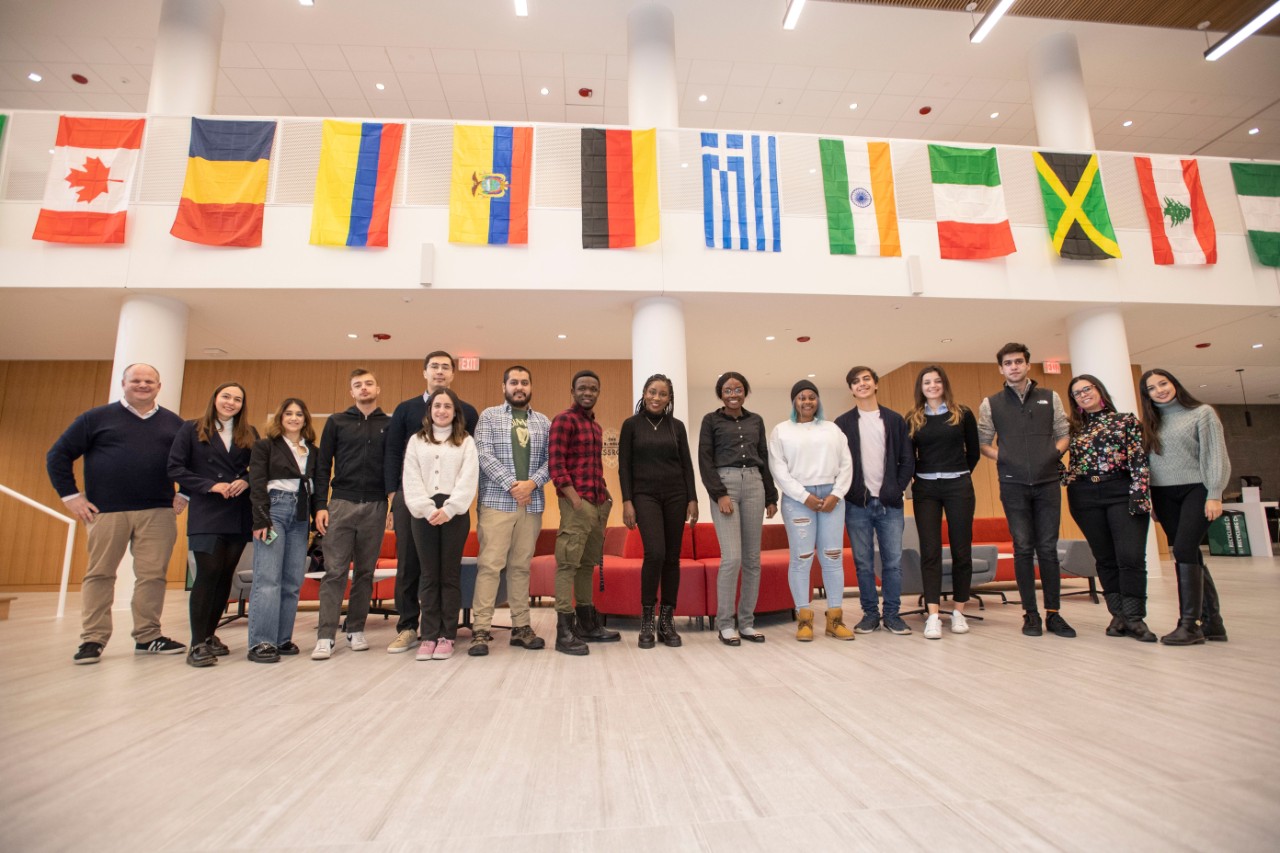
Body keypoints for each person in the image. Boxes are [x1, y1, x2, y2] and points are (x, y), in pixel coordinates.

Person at [47, 363, 188, 664]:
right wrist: (71, 496)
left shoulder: (173, 423)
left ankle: (148, 636)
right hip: (106, 511)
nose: (143, 385)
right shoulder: (95, 418)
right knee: (100, 574)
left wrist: (185, 491)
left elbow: (193, 461)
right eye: (136, 380)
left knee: (153, 576)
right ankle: (93, 639)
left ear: (159, 386)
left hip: (158, 511)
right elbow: (58, 455)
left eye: (149, 381)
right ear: (123, 383)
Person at [978, 343, 1076, 638]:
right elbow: (984, 442)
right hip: (1013, 484)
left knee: (1047, 548)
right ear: (1001, 369)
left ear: (1027, 365)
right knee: (1022, 548)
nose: (1014, 367)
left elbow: (1064, 433)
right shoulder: (991, 403)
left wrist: (1052, 454)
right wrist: (1006, 458)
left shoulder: (1050, 397)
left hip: (1047, 483)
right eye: (1008, 363)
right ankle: (1030, 614)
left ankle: (1054, 614)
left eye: (1018, 362)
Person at [384, 351, 479, 655]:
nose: (442, 410)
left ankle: (446, 636)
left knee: (448, 574)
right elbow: (405, 469)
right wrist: (422, 508)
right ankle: (420, 632)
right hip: (418, 509)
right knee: (420, 571)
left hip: (454, 511)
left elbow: (469, 476)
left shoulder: (466, 438)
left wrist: (450, 508)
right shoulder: (415, 435)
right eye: (437, 406)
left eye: (447, 406)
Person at [1139, 369, 1231, 646]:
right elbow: (1150, 465)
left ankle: (1190, 624)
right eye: (1152, 388)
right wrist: (1151, 499)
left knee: (1183, 549)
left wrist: (1214, 493)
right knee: (1189, 553)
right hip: (1163, 494)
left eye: (1163, 383)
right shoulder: (1150, 422)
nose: (1159, 390)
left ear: (1175, 384)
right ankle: (1213, 623)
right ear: (1147, 395)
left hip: (1197, 489)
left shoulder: (1202, 413)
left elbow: (1215, 456)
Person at [167, 381, 256, 667]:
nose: (231, 402)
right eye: (226, 396)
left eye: (237, 399)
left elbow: (260, 468)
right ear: (215, 398)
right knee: (208, 573)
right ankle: (197, 643)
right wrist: (210, 485)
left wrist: (247, 481)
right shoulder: (191, 429)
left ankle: (209, 635)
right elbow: (175, 468)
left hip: (238, 511)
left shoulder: (249, 433)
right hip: (207, 510)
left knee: (225, 575)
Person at [1062, 374, 1155, 642]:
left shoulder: (1125, 420)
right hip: (1084, 495)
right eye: (1077, 393)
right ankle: (1118, 615)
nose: (1083, 395)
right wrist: (1065, 477)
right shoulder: (1072, 428)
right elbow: (1052, 455)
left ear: (1099, 390)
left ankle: (1134, 617)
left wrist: (1140, 495)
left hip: (1121, 490)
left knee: (1130, 556)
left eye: (1087, 389)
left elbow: (1139, 460)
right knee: (1104, 558)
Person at [469, 365, 551, 656]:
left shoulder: (543, 422)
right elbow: (483, 454)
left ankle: (521, 627)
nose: (519, 387)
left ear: (531, 387)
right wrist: (513, 485)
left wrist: (532, 484)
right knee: (490, 566)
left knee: (520, 567)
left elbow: (551, 460)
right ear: (504, 387)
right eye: (514, 382)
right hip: (496, 502)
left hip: (531, 504)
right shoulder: (489, 416)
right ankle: (481, 629)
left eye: (524, 382)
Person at [311, 369, 391, 660]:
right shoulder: (336, 422)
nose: (364, 388)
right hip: (341, 503)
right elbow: (322, 466)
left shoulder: (389, 424)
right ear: (352, 392)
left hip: (376, 505)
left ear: (377, 389)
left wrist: (392, 504)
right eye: (358, 385)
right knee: (335, 572)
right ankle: (325, 636)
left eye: (369, 383)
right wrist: (320, 505)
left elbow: (394, 466)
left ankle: (355, 629)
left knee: (365, 573)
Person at [768, 380, 853, 642]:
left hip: (832, 498)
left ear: (818, 401)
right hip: (798, 499)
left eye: (812, 397)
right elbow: (778, 469)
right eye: (801, 397)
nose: (807, 401)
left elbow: (846, 464)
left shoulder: (832, 429)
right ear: (794, 401)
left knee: (832, 557)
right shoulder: (781, 431)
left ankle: (835, 620)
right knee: (802, 558)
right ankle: (804, 619)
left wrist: (836, 494)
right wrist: (804, 496)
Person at [698, 372, 778, 646]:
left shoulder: (756, 420)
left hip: (755, 483)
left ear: (745, 392)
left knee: (752, 559)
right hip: (726, 484)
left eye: (738, 389)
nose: (733, 394)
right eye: (728, 390)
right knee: (732, 558)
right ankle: (725, 624)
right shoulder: (711, 420)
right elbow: (705, 459)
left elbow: (764, 457)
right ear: (720, 394)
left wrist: (771, 496)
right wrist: (719, 493)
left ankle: (746, 623)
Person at [619, 374, 699, 649]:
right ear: (644, 393)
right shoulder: (631, 425)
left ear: (669, 398)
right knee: (655, 553)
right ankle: (646, 619)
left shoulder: (676, 427)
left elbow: (687, 465)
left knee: (672, 557)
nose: (656, 397)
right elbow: (624, 466)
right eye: (652, 392)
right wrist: (627, 501)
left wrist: (692, 498)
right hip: (645, 496)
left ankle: (666, 621)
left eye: (663, 394)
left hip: (676, 495)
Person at [835, 366, 915, 636]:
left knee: (892, 562)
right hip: (857, 504)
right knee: (863, 563)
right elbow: (838, 463)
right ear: (851, 389)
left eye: (866, 379)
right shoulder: (842, 423)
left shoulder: (894, 420)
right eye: (855, 381)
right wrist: (848, 492)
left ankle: (892, 615)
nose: (862, 384)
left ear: (876, 384)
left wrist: (897, 489)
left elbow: (907, 460)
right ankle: (870, 614)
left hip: (890, 504)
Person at [905, 366, 980, 640]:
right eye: (927, 382)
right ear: (921, 387)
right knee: (930, 551)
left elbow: (973, 452)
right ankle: (933, 615)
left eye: (937, 381)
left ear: (944, 384)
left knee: (962, 549)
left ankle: (959, 611)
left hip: (958, 485)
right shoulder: (913, 418)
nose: (933, 386)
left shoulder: (962, 413)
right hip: (925, 489)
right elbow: (909, 457)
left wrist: (957, 473)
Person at [548, 369, 617, 656]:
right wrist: (574, 499)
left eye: (593, 388)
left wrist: (605, 495)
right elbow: (556, 464)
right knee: (568, 564)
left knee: (587, 565)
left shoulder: (596, 427)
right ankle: (564, 632)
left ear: (598, 392)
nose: (588, 392)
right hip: (577, 503)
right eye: (582, 388)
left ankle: (587, 624)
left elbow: (593, 467)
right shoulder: (564, 420)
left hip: (598, 502)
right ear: (573, 391)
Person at [246, 398, 317, 663]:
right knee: (268, 579)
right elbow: (257, 483)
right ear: (280, 417)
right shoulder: (266, 446)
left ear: (305, 419)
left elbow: (317, 485)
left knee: (292, 580)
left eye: (299, 414)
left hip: (301, 514)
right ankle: (261, 642)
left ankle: (281, 638)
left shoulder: (312, 450)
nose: (294, 418)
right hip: (274, 510)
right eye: (289, 413)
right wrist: (261, 519)